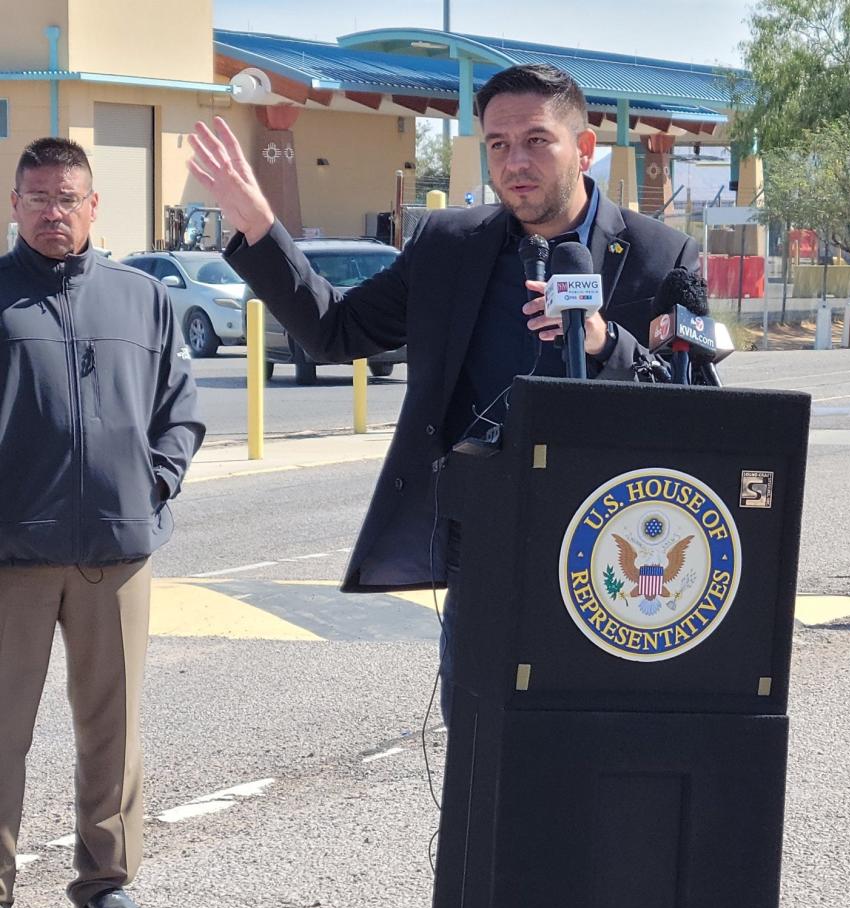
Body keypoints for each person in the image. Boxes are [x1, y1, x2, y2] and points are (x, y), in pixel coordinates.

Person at [187, 64, 699, 712]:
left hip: (616, 555)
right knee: (481, 748)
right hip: (480, 546)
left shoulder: (663, 256)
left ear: (585, 148)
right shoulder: (451, 247)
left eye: (537, 141)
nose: (516, 161)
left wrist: (604, 343)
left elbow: (697, 405)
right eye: (498, 144)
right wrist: (259, 227)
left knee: (592, 754)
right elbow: (336, 331)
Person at [0, 138, 204, 908]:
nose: (55, 211)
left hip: (115, 553)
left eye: (69, 198)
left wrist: (150, 484)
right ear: (16, 204)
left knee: (112, 727)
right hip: (11, 553)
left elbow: (179, 408)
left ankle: (104, 880)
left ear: (94, 207)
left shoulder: (140, 298)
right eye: (39, 197)